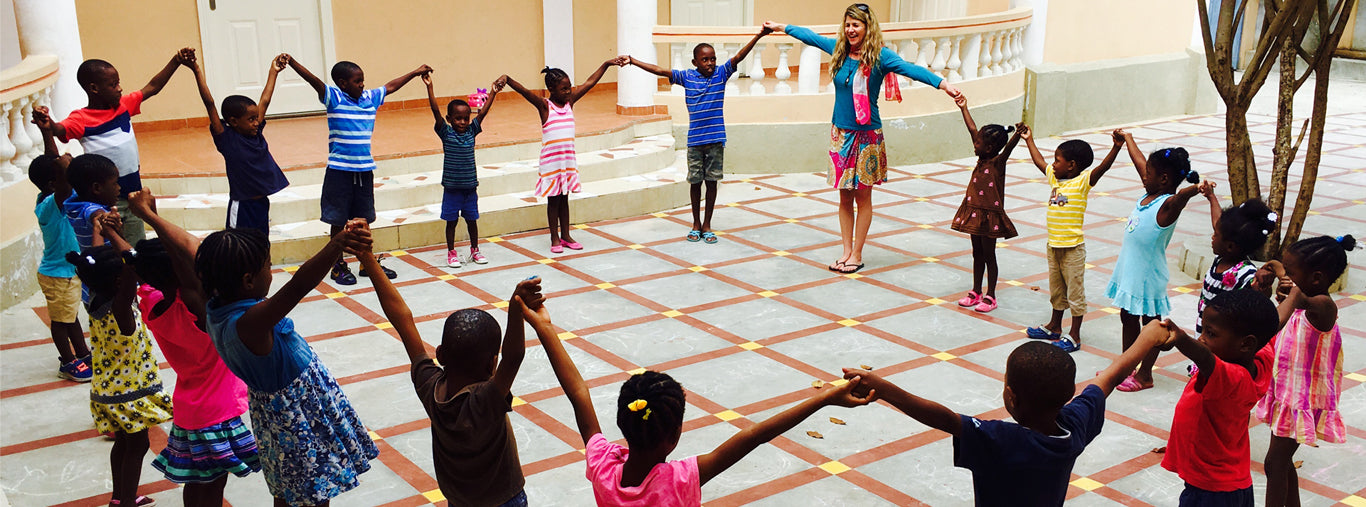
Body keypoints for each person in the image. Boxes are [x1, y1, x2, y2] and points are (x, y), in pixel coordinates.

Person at [521, 298, 874, 505]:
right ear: (674, 435)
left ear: (623, 424)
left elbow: (578, 392)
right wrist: (826, 398)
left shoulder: (603, 469)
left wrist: (544, 328)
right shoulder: (678, 481)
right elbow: (755, 435)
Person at [841, 327, 1171, 506]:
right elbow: (1107, 379)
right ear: (1068, 395)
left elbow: (943, 418)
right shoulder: (1073, 429)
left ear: (1010, 397)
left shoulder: (1004, 441)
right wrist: (1147, 339)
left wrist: (884, 389)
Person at [764, 4, 960, 274]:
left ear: (867, 27)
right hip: (841, 133)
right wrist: (780, 27)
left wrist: (944, 85)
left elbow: (911, 69)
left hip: (867, 136)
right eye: (847, 25)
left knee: (862, 198)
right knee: (844, 198)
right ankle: (845, 251)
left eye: (856, 25)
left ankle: (857, 254)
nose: (850, 30)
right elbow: (809, 36)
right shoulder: (839, 50)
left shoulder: (881, 57)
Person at [196, 220, 378, 506]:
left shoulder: (216, 307)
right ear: (247, 281)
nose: (272, 272)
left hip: (280, 415)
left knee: (291, 489)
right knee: (313, 490)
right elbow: (298, 286)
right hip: (296, 417)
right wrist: (337, 244)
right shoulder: (250, 323)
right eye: (268, 266)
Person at [362, 234, 541, 507]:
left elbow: (402, 318)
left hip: (458, 501)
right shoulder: (484, 401)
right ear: (492, 364)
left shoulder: (430, 388)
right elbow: (514, 357)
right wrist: (516, 309)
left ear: (441, 354)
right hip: (504, 500)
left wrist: (365, 257)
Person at [125, 191, 260, 506]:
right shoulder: (196, 313)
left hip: (189, 411)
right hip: (215, 413)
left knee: (197, 483)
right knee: (213, 487)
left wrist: (139, 222)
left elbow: (135, 259)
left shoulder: (151, 302)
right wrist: (149, 215)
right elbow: (186, 264)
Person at [290, 57, 432, 284]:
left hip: (364, 170)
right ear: (342, 83)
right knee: (338, 219)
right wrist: (294, 63)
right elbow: (314, 81)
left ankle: (367, 263)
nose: (362, 85)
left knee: (363, 218)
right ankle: (338, 265)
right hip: (339, 171)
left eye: (363, 81)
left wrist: (415, 72)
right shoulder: (334, 98)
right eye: (358, 82)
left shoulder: (369, 98)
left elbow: (391, 86)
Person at [625, 28, 771, 244]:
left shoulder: (721, 74)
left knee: (712, 183)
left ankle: (707, 224)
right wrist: (632, 61)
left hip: (715, 141)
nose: (710, 63)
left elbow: (739, 56)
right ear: (695, 62)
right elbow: (659, 70)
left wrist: (759, 36)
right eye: (705, 60)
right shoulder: (686, 77)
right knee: (695, 183)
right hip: (695, 142)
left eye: (713, 59)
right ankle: (695, 223)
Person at [67, 222, 173, 507]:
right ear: (120, 283)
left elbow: (98, 260)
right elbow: (129, 274)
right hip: (129, 394)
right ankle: (127, 501)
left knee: (124, 444)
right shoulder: (120, 311)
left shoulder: (97, 298)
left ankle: (119, 497)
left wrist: (106, 232)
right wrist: (125, 250)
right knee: (138, 445)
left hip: (108, 391)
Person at [46, 50, 195, 244]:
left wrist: (176, 61)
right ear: (94, 88)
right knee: (114, 249)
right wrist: (47, 122)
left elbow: (153, 86)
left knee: (137, 247)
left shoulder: (124, 106)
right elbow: (59, 129)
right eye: (113, 84)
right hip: (105, 202)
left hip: (133, 196)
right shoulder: (81, 119)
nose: (120, 88)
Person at [1254, 235, 1353, 507]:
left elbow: (1274, 323)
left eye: (1292, 274)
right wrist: (1270, 269)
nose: (1287, 279)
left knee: (1274, 464)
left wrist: (1289, 295)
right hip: (1288, 393)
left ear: (1317, 278)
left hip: (1303, 399)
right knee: (1283, 463)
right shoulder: (1304, 289)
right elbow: (1279, 266)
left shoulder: (1322, 306)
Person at [1157, 289, 1279, 506]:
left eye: (1211, 334)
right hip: (1230, 483)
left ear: (1246, 344)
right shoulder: (1260, 358)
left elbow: (1204, 357)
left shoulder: (1232, 378)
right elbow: (1273, 329)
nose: (1202, 339)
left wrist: (1180, 339)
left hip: (1211, 490)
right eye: (1202, 331)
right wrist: (1293, 297)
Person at [1108, 133, 1208, 384]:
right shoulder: (1149, 192)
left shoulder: (1166, 205)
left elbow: (1180, 198)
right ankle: (1126, 366)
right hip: (1131, 271)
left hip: (1147, 276)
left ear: (1163, 179)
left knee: (1151, 325)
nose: (1144, 175)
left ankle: (1145, 374)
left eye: (1148, 173)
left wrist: (1196, 189)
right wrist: (1128, 139)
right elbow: (1140, 162)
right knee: (1127, 317)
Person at [506, 58, 627, 254]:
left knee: (565, 199)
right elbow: (526, 93)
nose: (568, 91)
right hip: (551, 164)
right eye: (564, 89)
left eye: (569, 87)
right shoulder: (545, 107)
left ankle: (566, 235)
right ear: (552, 90)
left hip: (567, 162)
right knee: (553, 201)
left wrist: (606, 64)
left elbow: (589, 82)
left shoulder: (570, 102)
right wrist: (508, 80)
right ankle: (554, 237)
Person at [1020, 128, 1124, 351]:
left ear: (1072, 165)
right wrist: (1029, 140)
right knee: (1057, 290)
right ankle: (1054, 326)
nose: (1053, 164)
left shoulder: (1083, 181)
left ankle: (1074, 335)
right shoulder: (1055, 179)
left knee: (1074, 292)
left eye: (1057, 160)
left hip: (1073, 249)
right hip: (1054, 246)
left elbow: (1102, 169)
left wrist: (1116, 147)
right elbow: (1040, 162)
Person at [186, 49, 291, 235]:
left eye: (256, 118)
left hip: (261, 204)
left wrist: (273, 71)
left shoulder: (256, 133)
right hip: (242, 206)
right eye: (251, 119)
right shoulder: (227, 140)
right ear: (233, 122)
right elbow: (209, 103)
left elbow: (265, 100)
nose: (257, 122)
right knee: (237, 249)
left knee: (261, 246)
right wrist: (196, 69)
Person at [27, 113, 91, 381]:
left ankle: (83, 352)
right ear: (55, 184)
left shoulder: (55, 194)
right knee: (61, 321)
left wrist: (46, 134)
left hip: (68, 271)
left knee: (71, 316)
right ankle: (67, 361)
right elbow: (60, 176)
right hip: (57, 275)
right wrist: (66, 163)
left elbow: (53, 168)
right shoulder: (50, 206)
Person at [948, 94, 1022, 313]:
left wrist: (1018, 134)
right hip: (974, 212)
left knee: (989, 254)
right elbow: (972, 129)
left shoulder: (997, 163)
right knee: (976, 252)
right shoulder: (982, 158)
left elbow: (1008, 149)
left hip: (990, 216)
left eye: (978, 142)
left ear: (989, 148)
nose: (974, 144)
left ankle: (991, 295)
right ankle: (975, 290)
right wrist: (964, 108)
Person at [424, 72, 506, 267]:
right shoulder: (446, 132)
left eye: (465, 118)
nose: (462, 122)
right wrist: (430, 88)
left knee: (472, 221)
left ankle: (475, 250)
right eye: (458, 118)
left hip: (470, 188)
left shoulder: (472, 131)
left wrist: (493, 92)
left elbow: (483, 113)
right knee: (451, 222)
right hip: (452, 189)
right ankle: (451, 252)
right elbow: (435, 111)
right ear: (449, 119)